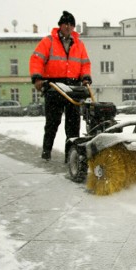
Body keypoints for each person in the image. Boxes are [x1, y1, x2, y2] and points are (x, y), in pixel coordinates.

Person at [29, 11, 92, 161]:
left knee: (73, 126)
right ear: (60, 25)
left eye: (71, 25)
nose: (68, 27)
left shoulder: (79, 44)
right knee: (52, 123)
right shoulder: (48, 42)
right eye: (66, 24)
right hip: (54, 86)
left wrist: (86, 78)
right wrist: (37, 79)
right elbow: (36, 60)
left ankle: (71, 157)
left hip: (73, 88)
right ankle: (46, 153)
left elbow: (85, 64)